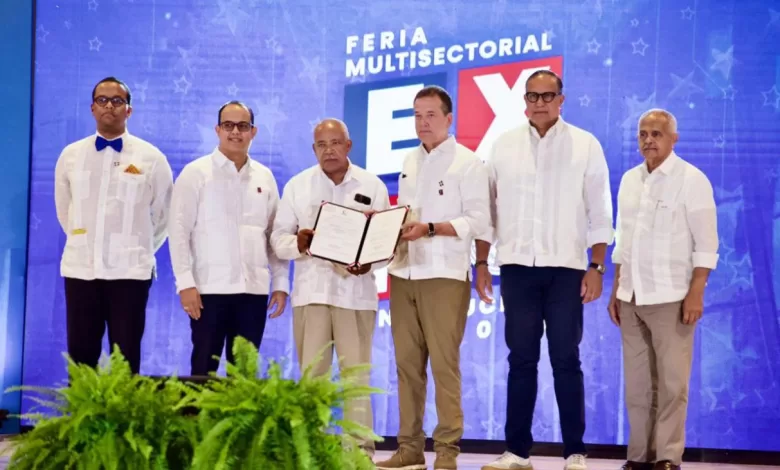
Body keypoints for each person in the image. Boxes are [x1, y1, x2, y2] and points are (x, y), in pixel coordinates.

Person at [476, 70, 614, 470]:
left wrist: (597, 265)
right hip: (517, 268)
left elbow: (600, 210)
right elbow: (487, 212)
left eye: (547, 95)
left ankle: (575, 452)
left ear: (561, 99)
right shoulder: (503, 145)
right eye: (532, 96)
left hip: (567, 270)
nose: (539, 103)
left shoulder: (585, 145)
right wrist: (481, 263)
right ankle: (517, 452)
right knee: (521, 360)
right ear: (524, 100)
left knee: (566, 359)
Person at [375, 86, 490, 470]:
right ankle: (409, 447)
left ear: (448, 118)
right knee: (407, 366)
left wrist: (430, 228)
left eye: (430, 115)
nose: (422, 123)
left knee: (444, 366)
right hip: (403, 270)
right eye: (417, 115)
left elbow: (479, 220)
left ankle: (446, 451)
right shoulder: (409, 159)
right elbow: (407, 214)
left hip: (444, 273)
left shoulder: (468, 163)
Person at [270, 118, 390, 456]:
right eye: (321, 145)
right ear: (314, 149)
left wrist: (369, 263)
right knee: (312, 380)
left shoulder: (372, 184)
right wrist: (299, 243)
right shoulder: (298, 186)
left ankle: (360, 452)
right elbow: (278, 240)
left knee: (357, 380)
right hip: (312, 294)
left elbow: (386, 241)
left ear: (348, 146)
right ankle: (311, 450)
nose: (329, 150)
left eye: (335, 143)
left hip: (356, 295)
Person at [608, 109, 718, 470]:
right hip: (630, 297)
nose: (648, 140)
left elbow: (706, 243)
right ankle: (639, 457)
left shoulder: (692, 179)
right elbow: (622, 241)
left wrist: (696, 291)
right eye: (643, 133)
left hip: (672, 297)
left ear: (674, 138)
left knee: (672, 384)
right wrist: (617, 289)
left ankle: (667, 457)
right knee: (637, 386)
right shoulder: (629, 180)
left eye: (656, 133)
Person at [54, 76, 173, 374]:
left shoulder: (152, 158)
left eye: (117, 101)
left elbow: (164, 216)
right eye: (103, 100)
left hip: (130, 274)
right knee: (81, 362)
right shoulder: (70, 156)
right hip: (81, 271)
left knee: (126, 361)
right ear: (92, 108)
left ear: (128, 110)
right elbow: (66, 212)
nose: (110, 106)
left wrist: (137, 247)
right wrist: (86, 240)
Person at [168, 100, 289, 376]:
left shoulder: (265, 177)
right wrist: (185, 283)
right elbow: (178, 232)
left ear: (253, 131)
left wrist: (281, 283)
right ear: (217, 130)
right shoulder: (196, 173)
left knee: (244, 376)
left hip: (253, 292)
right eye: (228, 125)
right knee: (203, 372)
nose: (236, 132)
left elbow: (274, 235)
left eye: (243, 126)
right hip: (208, 290)